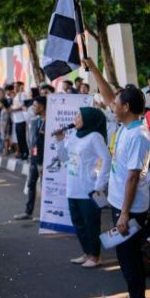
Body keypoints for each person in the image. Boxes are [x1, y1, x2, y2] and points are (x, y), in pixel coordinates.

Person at [83, 57, 150, 298]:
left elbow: (133, 177)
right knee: (126, 259)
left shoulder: (138, 135)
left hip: (131, 207)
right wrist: (94, 68)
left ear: (127, 107)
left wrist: (124, 213)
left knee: (130, 259)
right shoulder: (128, 125)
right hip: (119, 203)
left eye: (117, 103)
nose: (112, 105)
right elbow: (109, 94)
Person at [53, 107, 111, 267]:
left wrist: (100, 184)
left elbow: (106, 159)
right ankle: (87, 253)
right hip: (73, 187)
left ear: (89, 119)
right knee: (78, 222)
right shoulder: (73, 135)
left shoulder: (95, 137)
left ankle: (95, 256)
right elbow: (65, 158)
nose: (75, 118)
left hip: (89, 188)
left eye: (79, 115)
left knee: (91, 223)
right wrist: (59, 140)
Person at [14, 96, 47, 220]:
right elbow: (33, 141)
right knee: (31, 184)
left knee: (45, 187)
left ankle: (45, 214)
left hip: (44, 160)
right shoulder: (36, 121)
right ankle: (28, 212)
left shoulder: (49, 122)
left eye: (35, 105)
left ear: (42, 106)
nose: (33, 108)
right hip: (34, 157)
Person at [11, 81, 29, 160]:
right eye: (14, 86)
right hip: (16, 120)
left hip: (22, 119)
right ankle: (21, 153)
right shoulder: (16, 96)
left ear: (20, 86)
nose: (15, 88)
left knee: (23, 138)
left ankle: (25, 153)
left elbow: (23, 106)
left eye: (16, 86)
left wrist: (14, 110)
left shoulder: (23, 95)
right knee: (19, 138)